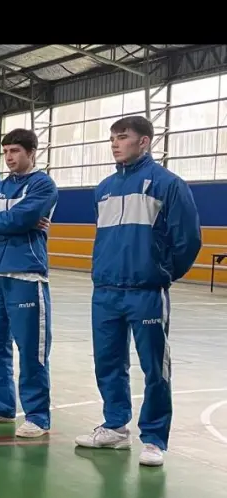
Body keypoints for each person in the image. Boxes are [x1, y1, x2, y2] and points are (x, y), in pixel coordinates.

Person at [74, 115, 201, 467]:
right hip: (106, 292)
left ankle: (155, 438)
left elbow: (188, 240)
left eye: (123, 137)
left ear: (143, 142)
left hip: (145, 291)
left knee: (154, 367)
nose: (115, 144)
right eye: (112, 138)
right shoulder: (104, 188)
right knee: (108, 363)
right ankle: (115, 426)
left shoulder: (168, 184)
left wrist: (160, 274)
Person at [0, 129, 58, 437]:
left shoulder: (43, 185)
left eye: (16, 151)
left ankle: (37, 415)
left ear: (32, 152)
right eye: (6, 151)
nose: (9, 157)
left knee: (31, 348)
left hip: (25, 275)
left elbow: (15, 219)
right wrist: (6, 223)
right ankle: (2, 405)